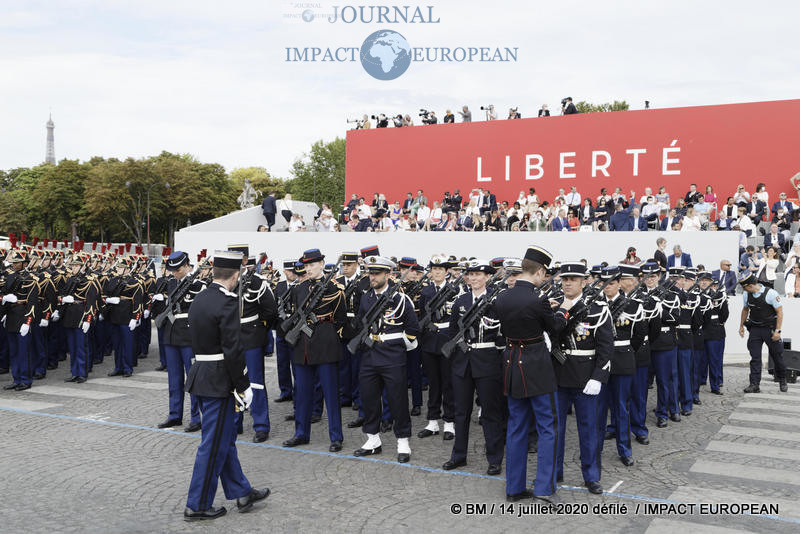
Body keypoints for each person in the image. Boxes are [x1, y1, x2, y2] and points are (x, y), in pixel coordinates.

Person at [183, 250, 269, 521]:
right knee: (212, 444)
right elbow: (232, 350)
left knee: (224, 439)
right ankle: (197, 504)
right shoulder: (228, 302)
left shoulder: (200, 298)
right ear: (235, 275)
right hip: (220, 379)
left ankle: (241, 491)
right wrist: (244, 385)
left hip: (202, 374)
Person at [492, 246, 572, 503]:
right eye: (544, 273)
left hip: (511, 362)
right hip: (536, 365)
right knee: (548, 427)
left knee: (516, 426)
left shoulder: (502, 297)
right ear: (538, 271)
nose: (545, 278)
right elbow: (556, 327)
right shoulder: (538, 300)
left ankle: (514, 488)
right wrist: (562, 311)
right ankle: (544, 488)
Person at [552, 262, 612, 495]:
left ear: (584, 282)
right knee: (555, 429)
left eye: (573, 279)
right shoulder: (554, 307)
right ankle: (554, 471)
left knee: (589, 430)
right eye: (565, 278)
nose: (567, 282)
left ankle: (591, 475)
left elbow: (606, 348)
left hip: (586, 378)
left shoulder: (597, 309)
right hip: (558, 375)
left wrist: (598, 377)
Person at [352, 256, 419, 463]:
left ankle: (403, 441)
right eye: (371, 273)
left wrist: (399, 346)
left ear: (388, 275)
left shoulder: (400, 299)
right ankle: (373, 439)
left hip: (392, 355)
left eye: (377, 274)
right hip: (370, 355)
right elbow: (362, 323)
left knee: (397, 399)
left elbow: (413, 328)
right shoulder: (366, 298)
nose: (372, 277)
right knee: (369, 398)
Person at [443, 259, 505, 476]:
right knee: (461, 411)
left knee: (491, 412)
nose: (474, 278)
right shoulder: (460, 301)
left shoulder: (496, 301)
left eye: (479, 274)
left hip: (487, 360)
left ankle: (495, 459)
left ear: (488, 277)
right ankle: (458, 455)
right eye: (471, 274)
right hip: (462, 362)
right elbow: (452, 331)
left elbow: (503, 333)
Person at [283, 249, 346, 451]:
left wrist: (329, 334)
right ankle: (301, 433)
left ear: (321, 264)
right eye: (306, 265)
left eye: (312, 265)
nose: (308, 269)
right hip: (303, 346)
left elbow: (341, 319)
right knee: (302, 393)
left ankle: (336, 436)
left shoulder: (335, 289)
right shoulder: (299, 289)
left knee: (330, 394)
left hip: (326, 342)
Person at [229, 246, 278, 443]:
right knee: (234, 381)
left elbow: (270, 310)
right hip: (232, 339)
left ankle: (261, 425)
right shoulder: (227, 282)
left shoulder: (257, 282)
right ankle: (235, 421)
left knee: (255, 382)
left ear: (245, 259)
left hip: (251, 337)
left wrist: (259, 330)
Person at [598, 265, 643, 468]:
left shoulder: (633, 306)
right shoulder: (595, 305)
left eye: (612, 283)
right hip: (599, 362)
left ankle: (624, 449)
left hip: (622, 358)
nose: (607, 287)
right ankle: (594, 449)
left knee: (621, 408)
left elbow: (638, 336)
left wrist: (624, 352)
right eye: (603, 283)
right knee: (598, 409)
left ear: (619, 284)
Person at [417, 255, 459, 441]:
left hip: (447, 340)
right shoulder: (425, 291)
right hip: (429, 341)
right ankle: (433, 421)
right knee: (433, 383)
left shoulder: (456, 290)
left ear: (446, 271)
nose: (437, 272)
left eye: (441, 269)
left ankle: (449, 422)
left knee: (448, 383)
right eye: (434, 269)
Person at [739, 272, 787, 393]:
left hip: (770, 329)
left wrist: (778, 331)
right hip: (755, 329)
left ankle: (782, 379)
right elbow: (745, 310)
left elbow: (780, 312)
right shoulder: (746, 294)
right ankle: (754, 384)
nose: (743, 289)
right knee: (755, 357)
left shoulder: (771, 294)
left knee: (777, 356)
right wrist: (741, 326)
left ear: (750, 285)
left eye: (744, 287)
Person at [2, 249, 39, 391]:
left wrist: (28, 322)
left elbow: (33, 303)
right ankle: (16, 379)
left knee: (24, 352)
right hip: (11, 316)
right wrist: (4, 310)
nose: (14, 265)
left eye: (17, 263)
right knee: (14, 352)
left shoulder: (31, 279)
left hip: (23, 317)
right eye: (13, 262)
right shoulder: (10, 277)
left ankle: (25, 379)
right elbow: (4, 294)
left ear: (25, 263)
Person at [60, 253, 99, 383]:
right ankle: (74, 372)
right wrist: (64, 299)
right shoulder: (70, 279)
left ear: (83, 266)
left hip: (81, 315)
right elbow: (62, 294)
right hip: (70, 314)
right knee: (72, 347)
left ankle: (82, 373)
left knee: (81, 346)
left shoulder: (89, 281)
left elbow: (91, 302)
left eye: (77, 265)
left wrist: (88, 319)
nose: (74, 268)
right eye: (73, 265)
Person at [699, 273, 728, 395]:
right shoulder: (695, 295)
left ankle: (715, 385)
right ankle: (699, 381)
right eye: (702, 280)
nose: (704, 283)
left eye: (707, 280)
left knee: (714, 360)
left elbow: (724, 314)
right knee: (700, 359)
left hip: (714, 330)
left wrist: (717, 323)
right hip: (700, 331)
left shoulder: (718, 295)